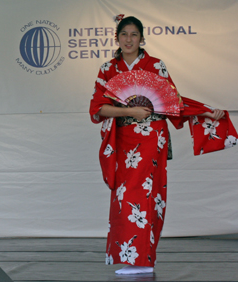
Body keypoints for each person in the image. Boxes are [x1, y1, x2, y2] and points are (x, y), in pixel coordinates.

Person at [89, 16, 234, 275]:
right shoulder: (108, 68)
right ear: (117, 38)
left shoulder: (156, 65)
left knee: (146, 195)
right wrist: (131, 112)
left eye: (134, 35)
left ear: (142, 38)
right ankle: (134, 257)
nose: (129, 39)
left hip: (151, 139)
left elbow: (172, 101)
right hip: (123, 140)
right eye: (124, 34)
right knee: (123, 198)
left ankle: (143, 260)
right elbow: (98, 109)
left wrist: (206, 112)